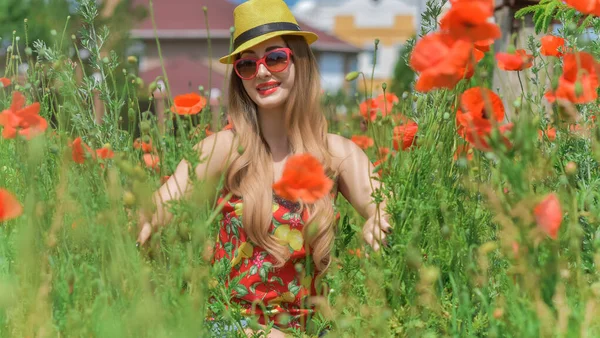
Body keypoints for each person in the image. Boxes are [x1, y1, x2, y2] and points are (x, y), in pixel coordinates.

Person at [137, 0, 392, 336]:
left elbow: (383, 205)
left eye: (275, 58)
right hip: (232, 325)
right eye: (246, 65)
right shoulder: (224, 149)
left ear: (299, 60)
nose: (261, 72)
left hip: (311, 327)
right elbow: (157, 209)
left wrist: (378, 219)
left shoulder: (338, 154)